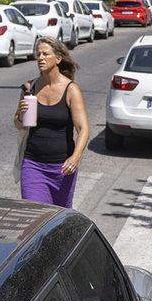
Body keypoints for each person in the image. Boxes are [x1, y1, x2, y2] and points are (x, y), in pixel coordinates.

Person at [12, 37, 89, 207]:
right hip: (33, 165)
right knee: (35, 215)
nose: (40, 58)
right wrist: (19, 114)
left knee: (59, 218)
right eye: (38, 54)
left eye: (46, 54)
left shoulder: (71, 89)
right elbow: (20, 125)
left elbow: (83, 129)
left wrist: (75, 158)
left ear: (58, 59)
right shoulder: (29, 87)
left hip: (62, 168)